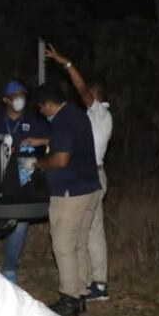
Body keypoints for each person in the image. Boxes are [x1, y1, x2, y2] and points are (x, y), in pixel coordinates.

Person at [45, 45, 113, 301]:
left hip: (90, 176)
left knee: (87, 234)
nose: (80, 96)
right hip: (92, 176)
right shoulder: (90, 119)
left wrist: (67, 64)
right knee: (89, 232)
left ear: (95, 95)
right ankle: (89, 283)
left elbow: (82, 91)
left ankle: (92, 285)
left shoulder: (99, 113)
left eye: (86, 94)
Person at [33, 81, 101, 316]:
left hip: (70, 193)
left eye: (41, 108)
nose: (41, 113)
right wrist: (42, 142)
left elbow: (60, 160)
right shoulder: (76, 114)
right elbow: (68, 143)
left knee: (63, 245)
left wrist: (37, 164)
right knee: (78, 243)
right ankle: (80, 294)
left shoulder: (61, 122)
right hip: (89, 189)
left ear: (49, 105)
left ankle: (69, 298)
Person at [0, 80, 50, 283]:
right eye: (14, 95)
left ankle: (9, 270)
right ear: (5, 99)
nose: (19, 98)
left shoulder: (35, 122)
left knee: (20, 226)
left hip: (24, 183)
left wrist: (39, 142)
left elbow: (56, 139)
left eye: (22, 94)